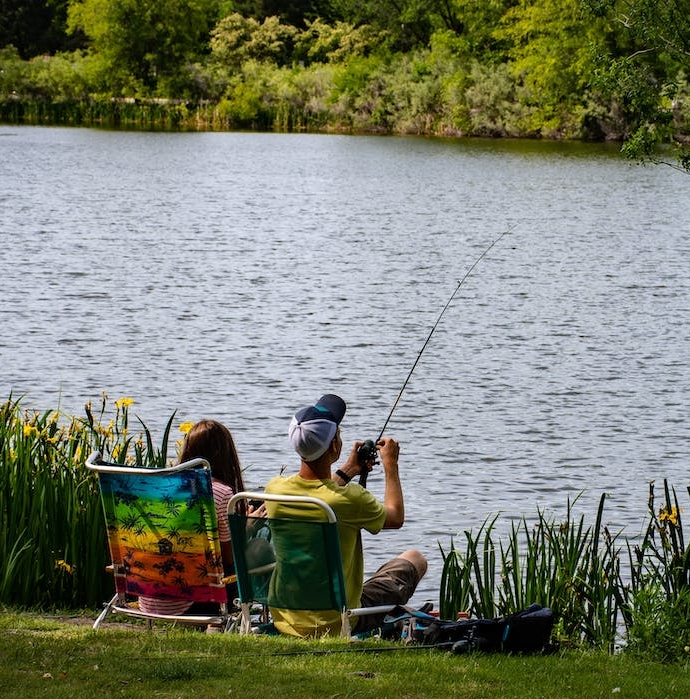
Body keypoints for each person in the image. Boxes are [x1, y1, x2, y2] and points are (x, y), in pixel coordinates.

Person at [263, 394, 427, 637]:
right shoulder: (350, 499)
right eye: (338, 433)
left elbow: (321, 496)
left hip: (286, 617)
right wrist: (391, 465)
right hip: (337, 620)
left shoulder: (275, 490)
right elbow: (395, 517)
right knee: (414, 558)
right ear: (333, 446)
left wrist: (349, 470)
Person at [139, 419, 264, 616]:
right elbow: (228, 558)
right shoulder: (221, 493)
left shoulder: (162, 488)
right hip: (194, 602)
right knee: (259, 548)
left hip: (150, 598)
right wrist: (247, 528)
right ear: (224, 454)